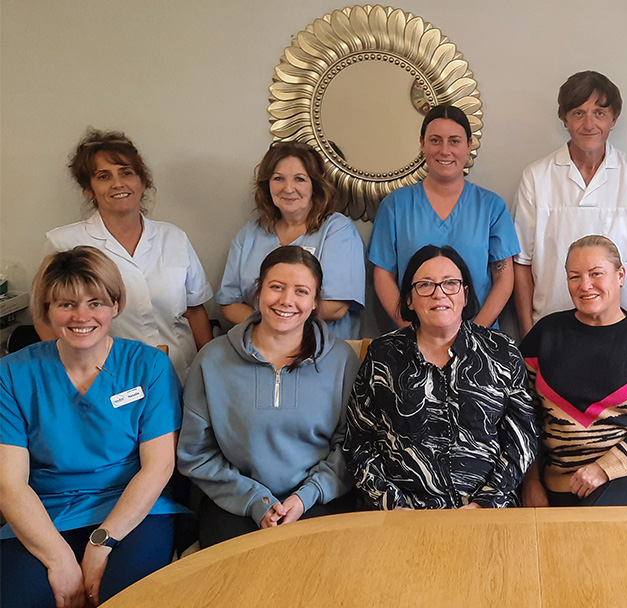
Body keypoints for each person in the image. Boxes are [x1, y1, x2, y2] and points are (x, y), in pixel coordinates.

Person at [1, 247, 185, 607]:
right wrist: (59, 559)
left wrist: (101, 544)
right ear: (47, 310)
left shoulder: (149, 367)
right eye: (66, 305)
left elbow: (159, 466)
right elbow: (9, 484)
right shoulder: (13, 374)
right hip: (44, 514)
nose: (81, 316)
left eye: (95, 303)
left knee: (129, 600)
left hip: (134, 512)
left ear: (115, 305)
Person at [178, 246, 360, 548]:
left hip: (318, 499)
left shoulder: (341, 360)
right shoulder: (212, 360)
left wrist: (306, 496)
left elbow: (351, 445)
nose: (287, 301)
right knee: (235, 584)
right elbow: (196, 453)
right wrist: (254, 501)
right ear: (258, 292)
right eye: (276, 287)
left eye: (301, 291)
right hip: (235, 501)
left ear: (315, 302)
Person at [344, 245, 537, 510]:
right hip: (402, 517)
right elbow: (359, 443)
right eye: (425, 285)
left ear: (465, 294)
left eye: (450, 283)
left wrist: (484, 504)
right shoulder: (383, 355)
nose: (439, 294)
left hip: (488, 513)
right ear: (409, 299)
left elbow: (522, 439)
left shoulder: (501, 351)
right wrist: (394, 506)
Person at [518, 236, 627, 507]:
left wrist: (606, 468)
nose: (585, 286)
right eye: (574, 277)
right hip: (562, 480)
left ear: (620, 275)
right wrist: (531, 481)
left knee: (598, 529)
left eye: (596, 274)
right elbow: (523, 416)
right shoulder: (543, 337)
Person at [512, 70, 627, 334]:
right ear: (564, 119)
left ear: (614, 119)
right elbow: (521, 262)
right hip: (551, 328)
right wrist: (529, 333)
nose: (589, 124)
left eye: (599, 113)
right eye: (578, 112)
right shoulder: (536, 176)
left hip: (621, 329)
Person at [42, 128, 213, 379]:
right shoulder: (64, 243)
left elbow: (195, 310)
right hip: (103, 376)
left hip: (177, 373)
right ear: (89, 189)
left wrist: (210, 371)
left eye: (126, 173)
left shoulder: (173, 237)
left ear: (143, 182)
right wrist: (69, 373)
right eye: (103, 176)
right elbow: (45, 316)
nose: (117, 183)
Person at [370, 104, 519, 329]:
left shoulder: (491, 207)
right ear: (422, 143)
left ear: (469, 145)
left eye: (455, 141)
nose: (445, 150)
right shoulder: (395, 206)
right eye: (435, 140)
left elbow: (504, 279)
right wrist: (412, 332)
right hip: (412, 339)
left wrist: (474, 334)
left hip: (478, 335)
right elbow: (383, 276)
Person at [218, 141, 366, 340]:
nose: (288, 188)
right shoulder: (248, 235)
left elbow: (336, 307)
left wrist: (279, 320)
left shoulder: (338, 230)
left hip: (320, 352)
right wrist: (272, 324)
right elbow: (229, 304)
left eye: (300, 179)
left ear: (315, 185)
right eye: (278, 178)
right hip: (259, 348)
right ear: (266, 184)